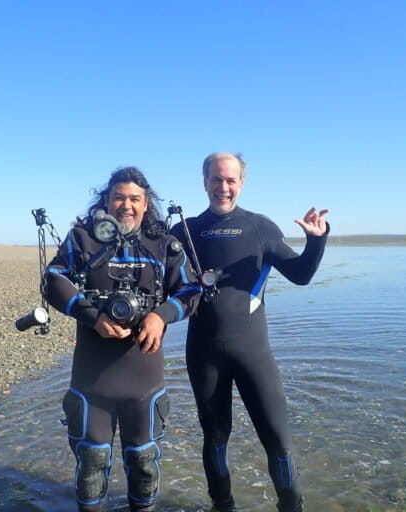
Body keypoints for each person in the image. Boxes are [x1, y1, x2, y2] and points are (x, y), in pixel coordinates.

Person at [171, 152, 329, 512]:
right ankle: (222, 506)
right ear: (204, 182)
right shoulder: (185, 231)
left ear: (241, 183)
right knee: (214, 437)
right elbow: (159, 281)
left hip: (253, 353)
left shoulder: (260, 228)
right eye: (216, 179)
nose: (223, 187)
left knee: (277, 439)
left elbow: (301, 275)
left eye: (230, 180)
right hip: (203, 352)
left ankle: (291, 507)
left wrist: (316, 240)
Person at [45, 166, 201, 512]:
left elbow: (192, 290)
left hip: (144, 381)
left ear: (147, 205)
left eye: (135, 199)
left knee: (144, 463)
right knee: (91, 464)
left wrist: (160, 316)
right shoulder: (82, 239)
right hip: (91, 380)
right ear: (107, 200)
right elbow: (52, 278)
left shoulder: (165, 245)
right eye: (119, 197)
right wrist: (92, 316)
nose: (126, 205)